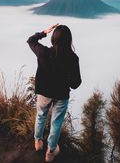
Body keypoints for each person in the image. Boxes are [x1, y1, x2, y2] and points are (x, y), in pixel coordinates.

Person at [27, 23, 82, 162]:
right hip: (61, 95)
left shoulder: (43, 52)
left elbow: (31, 41)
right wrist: (66, 77)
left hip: (44, 92)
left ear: (53, 38)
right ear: (69, 40)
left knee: (41, 116)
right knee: (56, 123)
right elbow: (76, 83)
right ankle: (51, 151)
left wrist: (44, 32)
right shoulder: (73, 58)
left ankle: (38, 142)